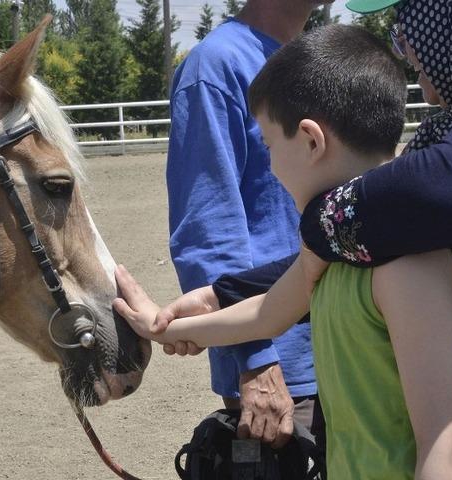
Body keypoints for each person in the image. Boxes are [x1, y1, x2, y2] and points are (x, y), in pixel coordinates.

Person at [157, 1, 452, 478]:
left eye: (413, 24)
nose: (406, 48)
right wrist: (213, 299)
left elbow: (428, 196)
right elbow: (358, 241)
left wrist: (318, 216)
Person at [115, 24, 452, 479]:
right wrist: (162, 327)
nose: (271, 165)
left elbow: (444, 442)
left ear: (312, 141)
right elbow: (266, 315)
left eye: (271, 145)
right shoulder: (335, 246)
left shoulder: (405, 264)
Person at [165, 0, 332, 447]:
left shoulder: (319, 58)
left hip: (349, 344)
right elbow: (207, 228)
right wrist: (255, 360)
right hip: (285, 370)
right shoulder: (217, 66)